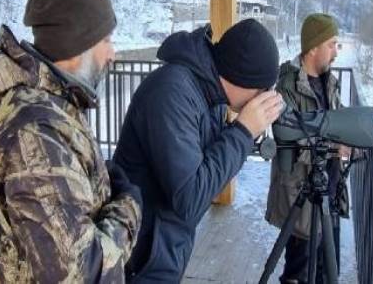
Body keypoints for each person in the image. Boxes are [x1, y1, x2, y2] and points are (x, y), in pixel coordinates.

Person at [0, 0, 142, 283]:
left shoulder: (47, 105)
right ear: (78, 46)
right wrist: (128, 207)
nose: (112, 53)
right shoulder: (34, 130)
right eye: (106, 39)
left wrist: (96, 184)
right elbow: (80, 273)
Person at [112, 18, 283, 283]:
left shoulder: (208, 93)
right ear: (245, 80)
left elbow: (207, 172)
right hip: (140, 256)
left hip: (162, 247)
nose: (263, 97)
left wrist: (238, 131)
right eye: (263, 90)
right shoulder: (172, 92)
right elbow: (190, 197)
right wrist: (243, 131)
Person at [265, 13, 351, 283]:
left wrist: (352, 137)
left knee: (328, 269)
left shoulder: (329, 82)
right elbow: (286, 140)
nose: (336, 52)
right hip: (302, 195)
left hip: (330, 192)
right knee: (299, 273)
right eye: (332, 44)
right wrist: (333, 144)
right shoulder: (287, 85)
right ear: (313, 47)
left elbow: (337, 120)